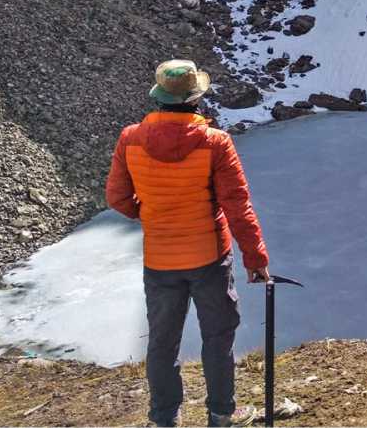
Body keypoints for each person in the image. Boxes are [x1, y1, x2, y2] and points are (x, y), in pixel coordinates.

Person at [106, 59, 269, 427]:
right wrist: (256, 258)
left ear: (159, 97)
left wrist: (150, 215)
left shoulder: (131, 138)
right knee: (218, 336)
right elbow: (237, 205)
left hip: (160, 260)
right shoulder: (215, 142)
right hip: (209, 257)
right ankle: (222, 414)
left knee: (162, 341)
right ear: (197, 99)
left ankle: (165, 418)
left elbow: (116, 196)